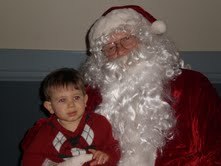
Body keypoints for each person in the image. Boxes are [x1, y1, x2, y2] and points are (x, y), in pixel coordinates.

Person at [80, 5, 221, 166]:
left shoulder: (192, 85)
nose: (121, 50)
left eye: (126, 39)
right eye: (110, 47)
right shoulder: (88, 97)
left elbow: (215, 148)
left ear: (147, 39)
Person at [21, 68, 121, 166]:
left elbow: (114, 148)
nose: (71, 105)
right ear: (50, 107)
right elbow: (30, 159)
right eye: (62, 100)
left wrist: (107, 156)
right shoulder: (45, 132)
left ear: (85, 100)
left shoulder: (100, 123)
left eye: (76, 97)